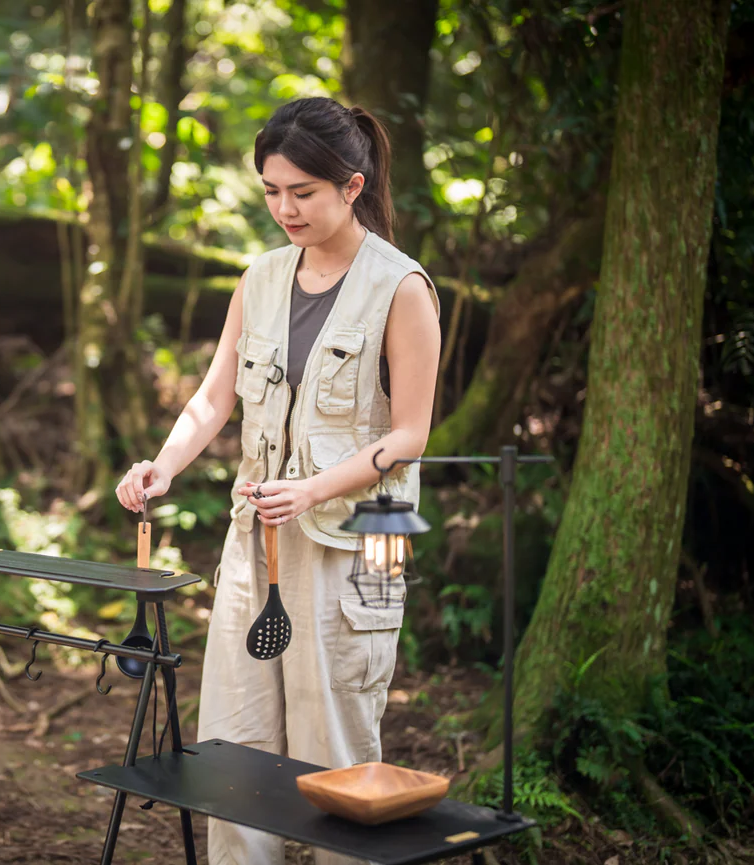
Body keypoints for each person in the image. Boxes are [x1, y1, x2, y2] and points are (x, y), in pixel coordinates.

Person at [115, 96, 442, 864]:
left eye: (303, 192)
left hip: (365, 545)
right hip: (255, 538)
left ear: (352, 188)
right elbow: (213, 397)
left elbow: (412, 434)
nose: (284, 208)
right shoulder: (259, 278)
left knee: (337, 746)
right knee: (235, 740)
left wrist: (316, 487)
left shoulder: (402, 288)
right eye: (271, 190)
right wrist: (162, 465)